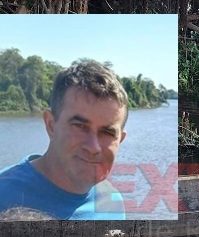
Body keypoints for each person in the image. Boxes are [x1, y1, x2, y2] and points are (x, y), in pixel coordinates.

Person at [0, 60, 128, 220]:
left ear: (120, 139)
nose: (93, 147)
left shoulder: (112, 203)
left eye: (107, 132)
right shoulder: (4, 194)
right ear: (51, 125)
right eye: (80, 126)